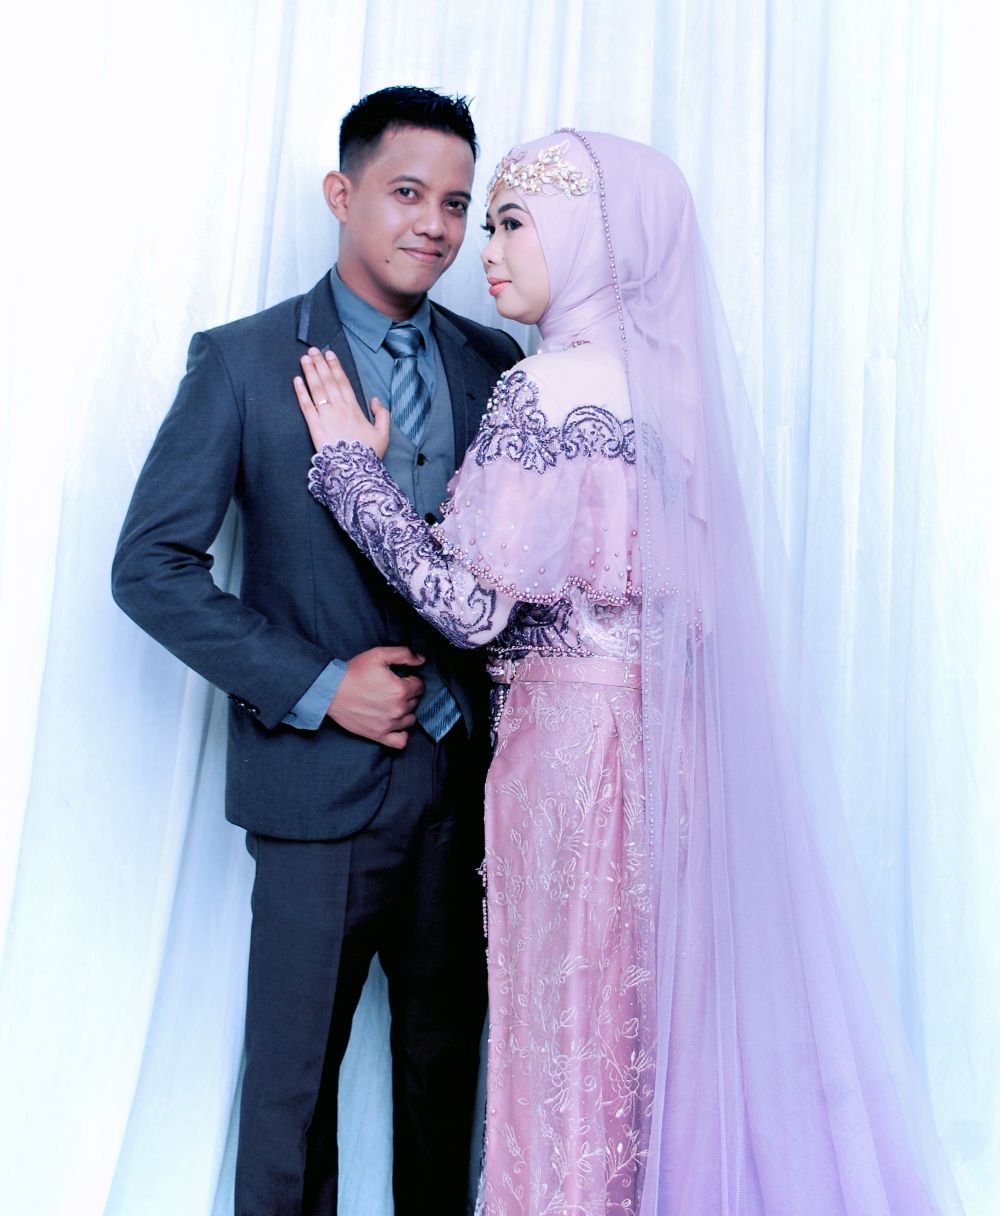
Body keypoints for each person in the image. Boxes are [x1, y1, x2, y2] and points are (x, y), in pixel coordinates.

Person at [294, 130, 965, 1215]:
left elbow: (472, 607)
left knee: (566, 1029)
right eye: (489, 224)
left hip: (571, 754)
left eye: (514, 224)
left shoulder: (543, 389)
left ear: (591, 238)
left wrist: (350, 477)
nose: (485, 252)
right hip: (670, 749)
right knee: (646, 1027)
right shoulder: (676, 400)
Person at [112, 86, 522, 1216]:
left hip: (467, 790)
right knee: (291, 1102)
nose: (434, 224)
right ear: (342, 195)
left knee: (448, 1083)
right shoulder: (244, 363)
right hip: (314, 792)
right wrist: (319, 684)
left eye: (456, 203)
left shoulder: (495, 362)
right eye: (406, 193)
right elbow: (149, 567)